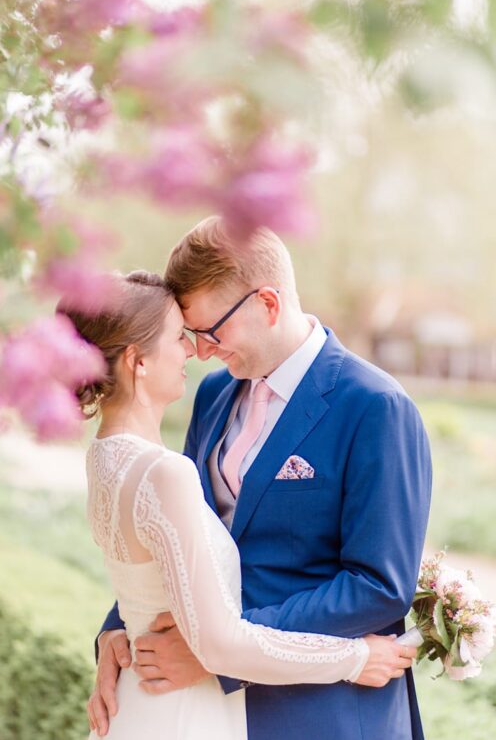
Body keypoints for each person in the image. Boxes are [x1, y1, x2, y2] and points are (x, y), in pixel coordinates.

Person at [86, 219, 432, 740]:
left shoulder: (375, 407)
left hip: (322, 712)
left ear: (268, 304)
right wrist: (121, 628)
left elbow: (378, 586)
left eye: (209, 331)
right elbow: (173, 529)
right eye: (190, 335)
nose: (199, 351)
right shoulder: (214, 395)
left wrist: (214, 648)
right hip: (209, 710)